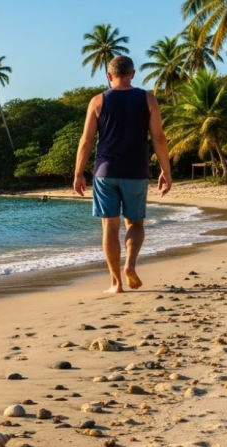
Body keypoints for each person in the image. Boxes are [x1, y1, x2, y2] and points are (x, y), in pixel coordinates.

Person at [73, 55, 172, 294]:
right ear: (133, 74)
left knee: (109, 226)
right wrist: (165, 171)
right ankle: (130, 264)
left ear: (109, 76)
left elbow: (86, 141)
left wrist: (78, 173)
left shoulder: (97, 101)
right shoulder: (147, 98)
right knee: (135, 223)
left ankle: (116, 283)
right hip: (135, 170)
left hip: (105, 172)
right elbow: (158, 138)